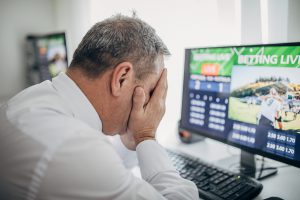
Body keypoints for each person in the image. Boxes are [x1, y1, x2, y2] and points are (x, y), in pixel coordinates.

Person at [0, 14, 198, 200]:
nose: (153, 102)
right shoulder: (74, 150)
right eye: (153, 91)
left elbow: (111, 167)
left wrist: (134, 139)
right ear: (121, 78)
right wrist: (146, 136)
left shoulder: (33, 100)